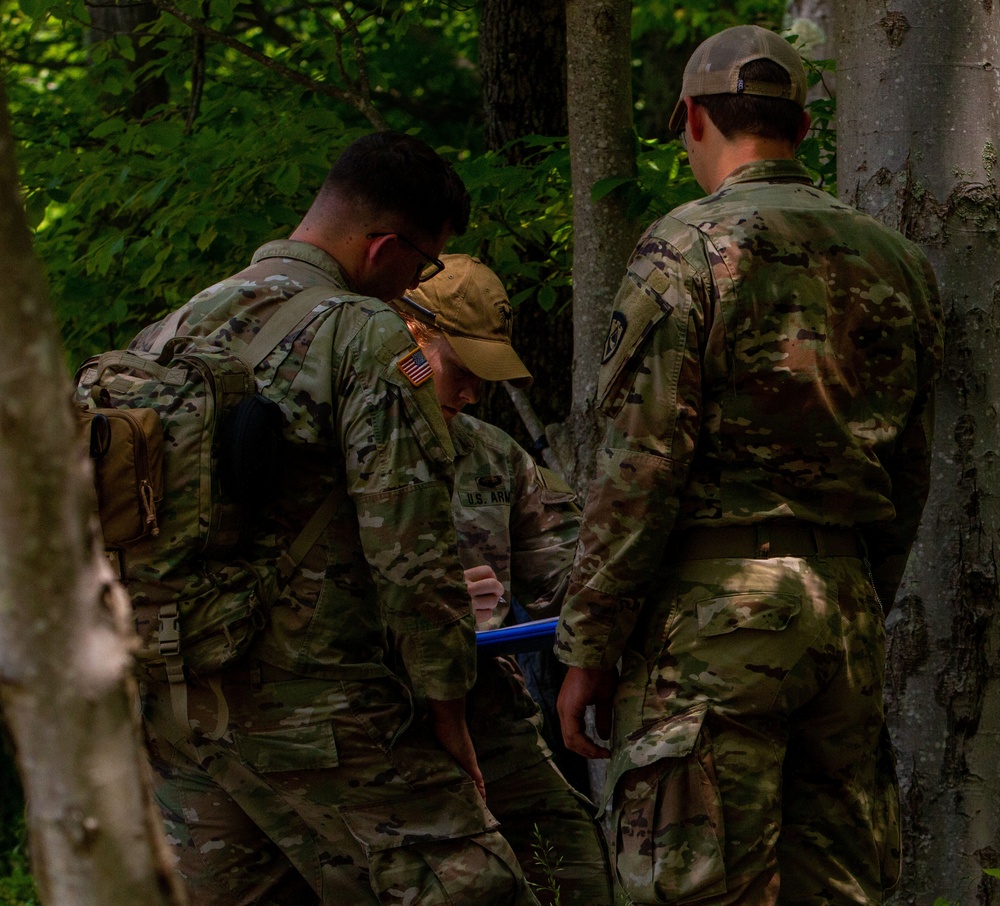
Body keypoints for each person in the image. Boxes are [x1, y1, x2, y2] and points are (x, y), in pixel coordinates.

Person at [554, 24, 944, 906]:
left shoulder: (683, 250)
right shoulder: (900, 263)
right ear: (803, 130)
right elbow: (910, 469)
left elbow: (640, 467)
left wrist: (589, 646)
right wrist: (862, 588)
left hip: (711, 622)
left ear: (692, 118)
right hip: (840, 615)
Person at [133, 132, 538, 905]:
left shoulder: (172, 329)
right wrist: (448, 706)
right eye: (423, 265)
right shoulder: (366, 334)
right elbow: (410, 544)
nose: (414, 281)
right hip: (317, 707)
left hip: (177, 703)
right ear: (385, 245)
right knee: (477, 890)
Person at [395, 254, 615, 906]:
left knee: (574, 872)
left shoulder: (494, 457)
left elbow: (571, 580)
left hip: (489, 711)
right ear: (413, 336)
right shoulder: (331, 448)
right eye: (462, 372)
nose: (471, 393)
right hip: (378, 724)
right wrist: (426, 604)